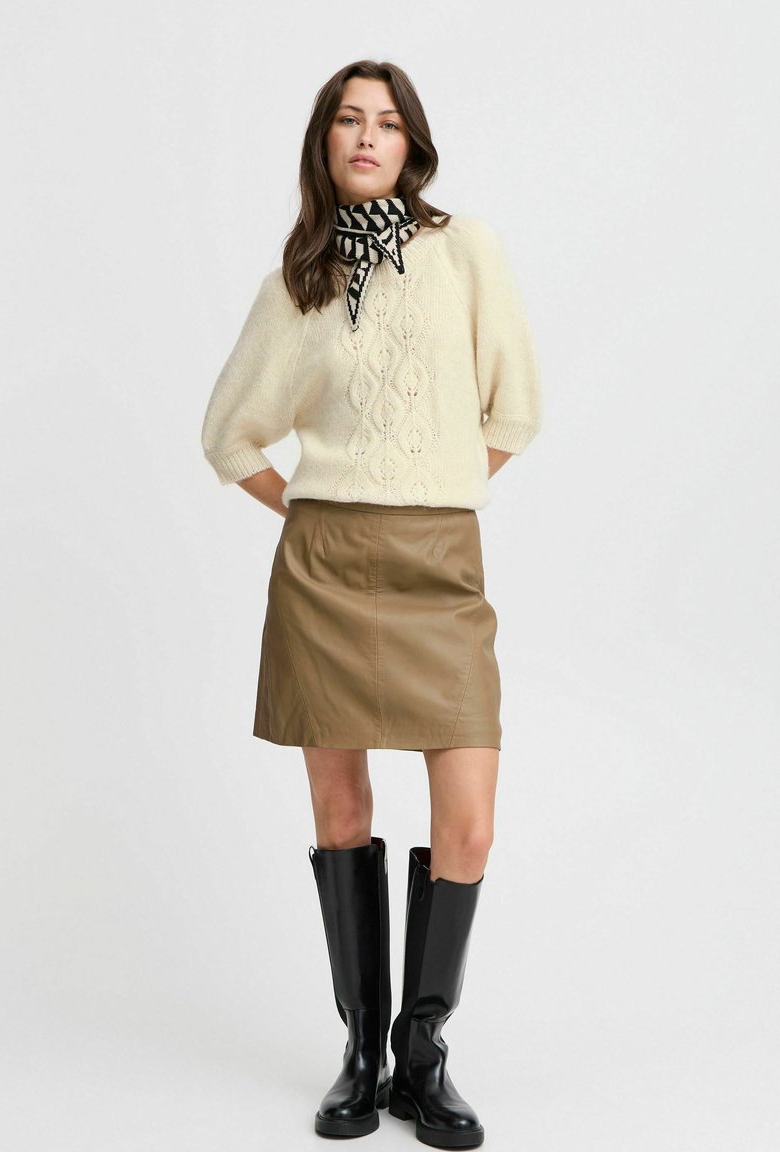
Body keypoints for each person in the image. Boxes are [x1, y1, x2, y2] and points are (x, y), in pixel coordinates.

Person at [201, 59, 542, 1150]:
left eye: (386, 122)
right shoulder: (295, 284)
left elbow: (514, 410)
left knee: (468, 823)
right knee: (341, 814)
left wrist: (434, 493)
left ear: (411, 144)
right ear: (325, 142)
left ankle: (421, 1051)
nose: (366, 136)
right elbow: (228, 435)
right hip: (327, 568)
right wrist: (313, 511)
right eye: (348, 120)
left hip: (440, 563)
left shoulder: (466, 251)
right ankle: (361, 1054)